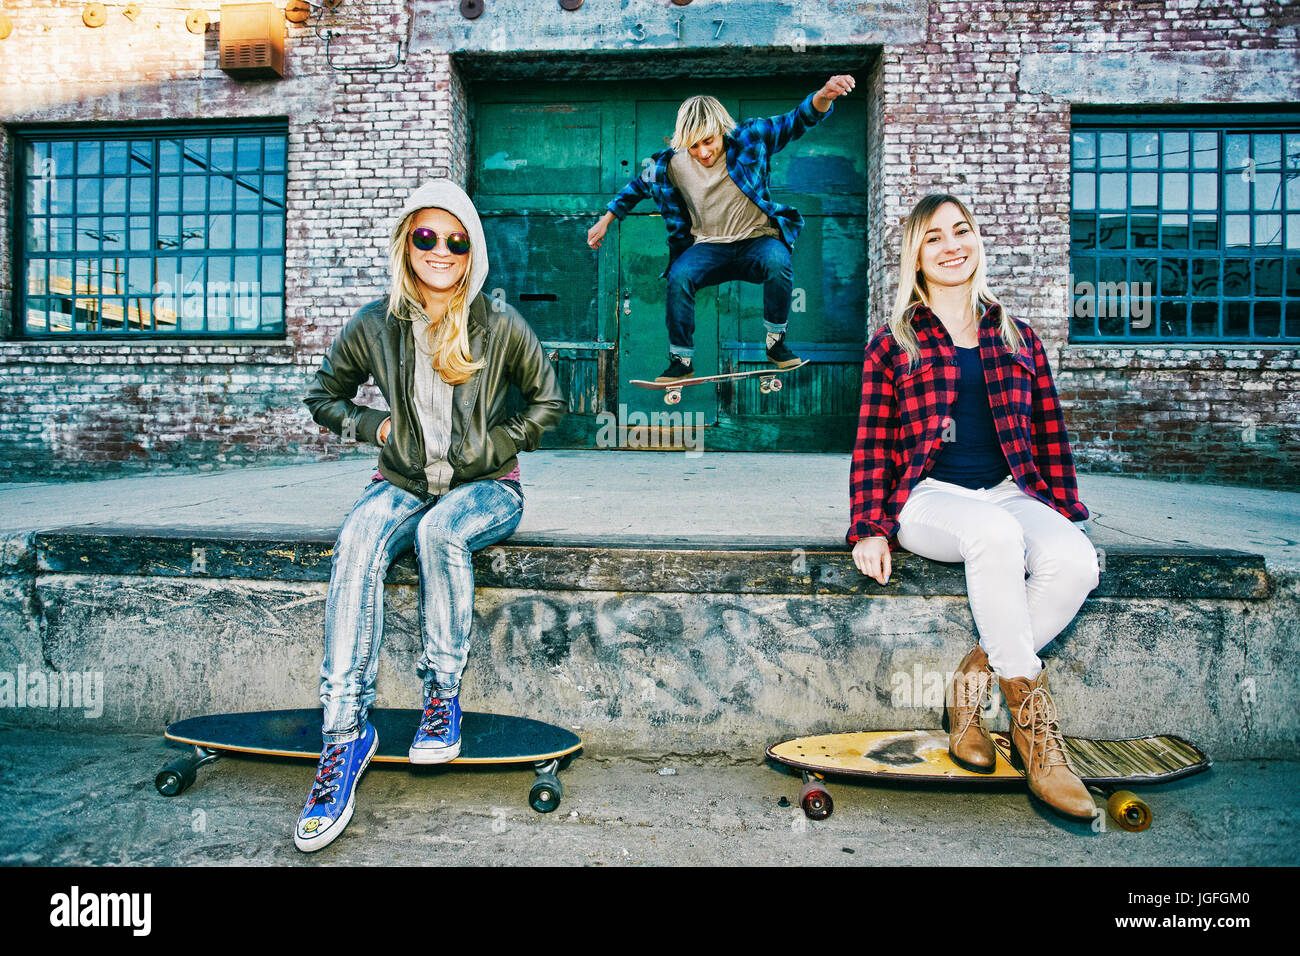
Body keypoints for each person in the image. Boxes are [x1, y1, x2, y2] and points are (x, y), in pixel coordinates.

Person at [297, 180, 566, 852]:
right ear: (406, 242)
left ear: (471, 250)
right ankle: (343, 735)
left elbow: (548, 402)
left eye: (456, 239)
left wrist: (495, 444)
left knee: (441, 531)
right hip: (405, 480)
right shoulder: (375, 323)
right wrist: (373, 426)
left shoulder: (497, 324)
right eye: (426, 236)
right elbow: (323, 395)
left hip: (487, 490)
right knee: (358, 536)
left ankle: (442, 697)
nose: (440, 250)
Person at [847, 193, 1101, 821]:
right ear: (916, 254)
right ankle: (1037, 737)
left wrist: (1060, 509)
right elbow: (873, 443)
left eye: (961, 230)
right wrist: (869, 528)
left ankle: (972, 687)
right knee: (992, 534)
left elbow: (1048, 433)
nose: (952, 244)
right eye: (934, 237)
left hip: (1009, 489)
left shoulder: (1016, 336)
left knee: (1075, 563)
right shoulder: (894, 342)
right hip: (930, 497)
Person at [587, 75, 855, 382]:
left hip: (756, 240)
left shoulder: (750, 138)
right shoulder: (667, 164)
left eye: (709, 141)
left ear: (722, 131)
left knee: (779, 261)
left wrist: (824, 95)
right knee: (680, 276)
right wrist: (606, 219)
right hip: (708, 247)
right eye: (694, 146)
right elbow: (636, 186)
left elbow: (796, 121)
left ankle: (775, 342)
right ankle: (680, 361)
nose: (702, 153)